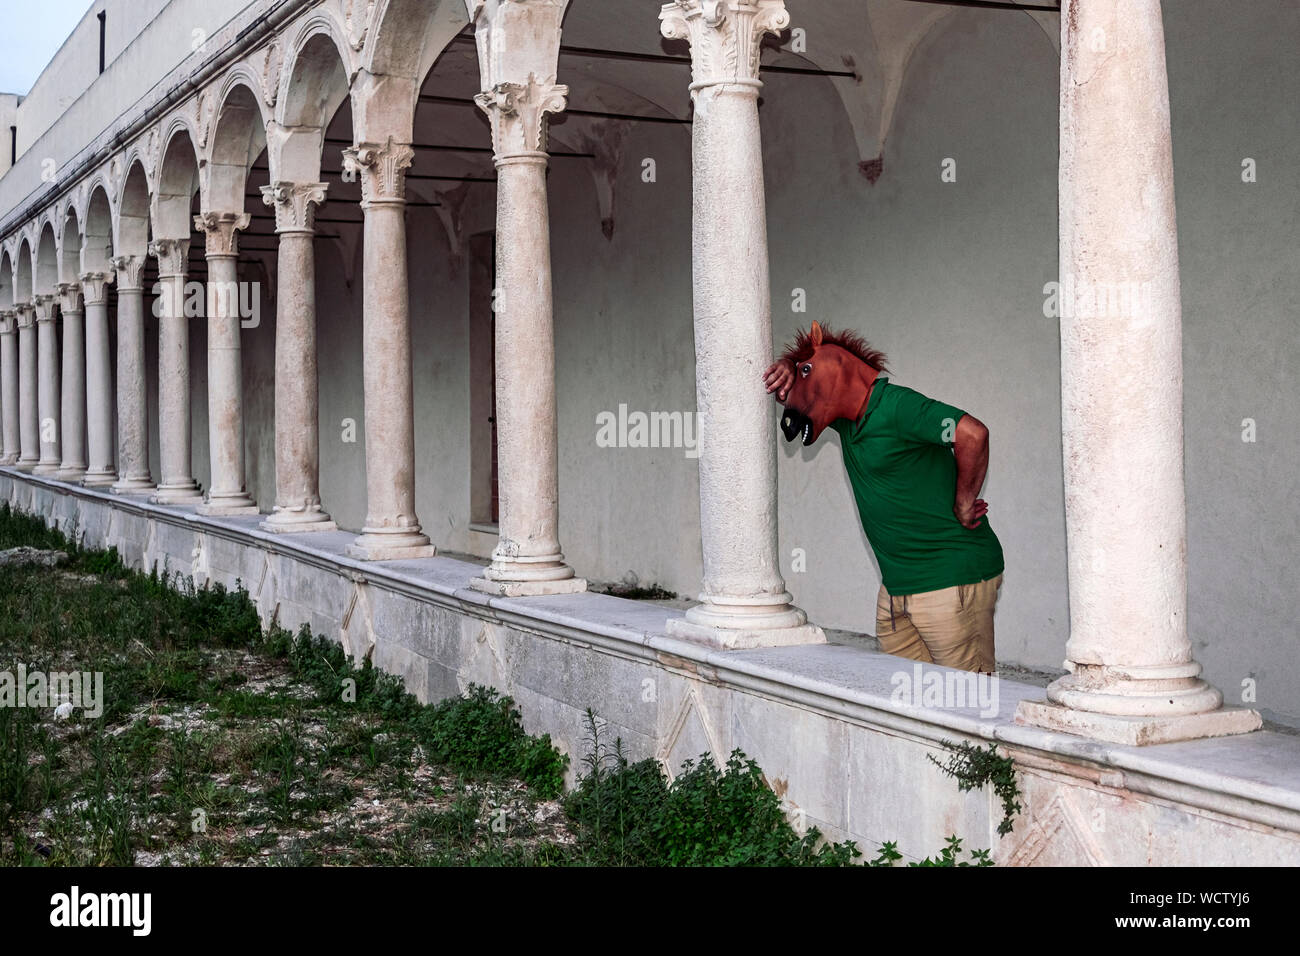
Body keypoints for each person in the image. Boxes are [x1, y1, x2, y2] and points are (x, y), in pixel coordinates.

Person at [764, 321, 1003, 673]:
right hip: (895, 590)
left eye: (806, 371)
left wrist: (964, 502)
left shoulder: (896, 407)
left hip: (950, 583)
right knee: (904, 706)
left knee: (966, 703)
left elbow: (972, 433)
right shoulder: (847, 420)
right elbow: (804, 386)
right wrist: (788, 364)